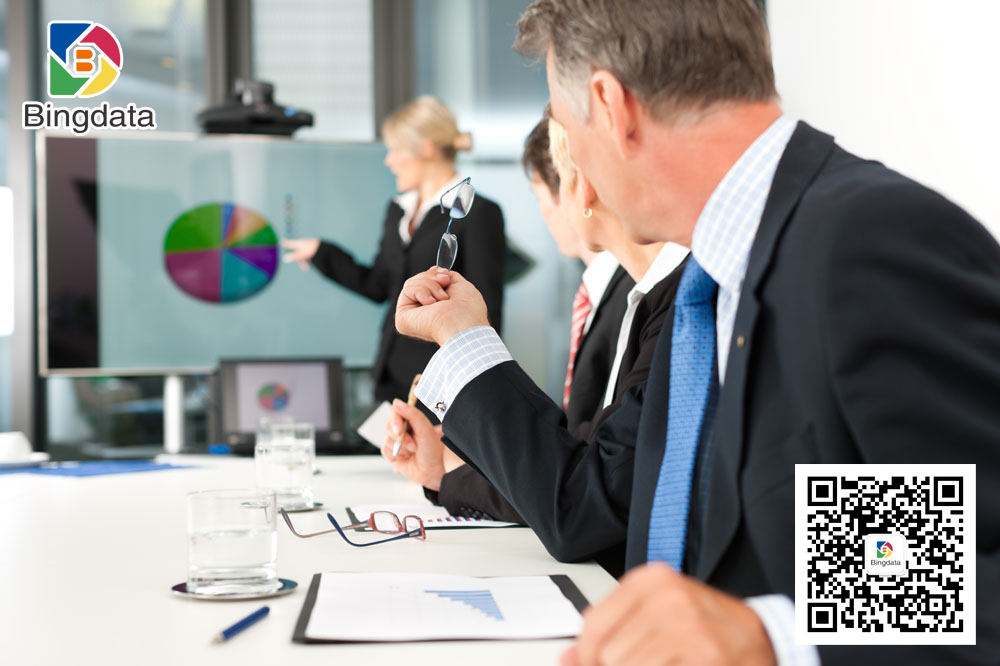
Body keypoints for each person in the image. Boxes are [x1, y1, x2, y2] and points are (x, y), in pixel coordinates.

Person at [392, 1, 1000, 665]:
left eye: (568, 126)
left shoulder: (868, 240)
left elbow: (972, 566)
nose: (579, 173)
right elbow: (894, 554)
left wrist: (771, 637)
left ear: (612, 106)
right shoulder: (710, 282)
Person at [383, 114, 688, 576]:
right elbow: (587, 471)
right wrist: (443, 475)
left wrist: (463, 336)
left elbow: (584, 500)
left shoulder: (686, 301)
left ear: (582, 187)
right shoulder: (646, 298)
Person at [281, 96, 505, 404]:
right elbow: (379, 286)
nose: (389, 161)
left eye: (396, 150)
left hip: (441, 388)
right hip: (391, 379)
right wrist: (322, 252)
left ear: (426, 148)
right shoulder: (399, 210)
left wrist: (468, 399)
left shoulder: (479, 213)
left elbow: (485, 314)